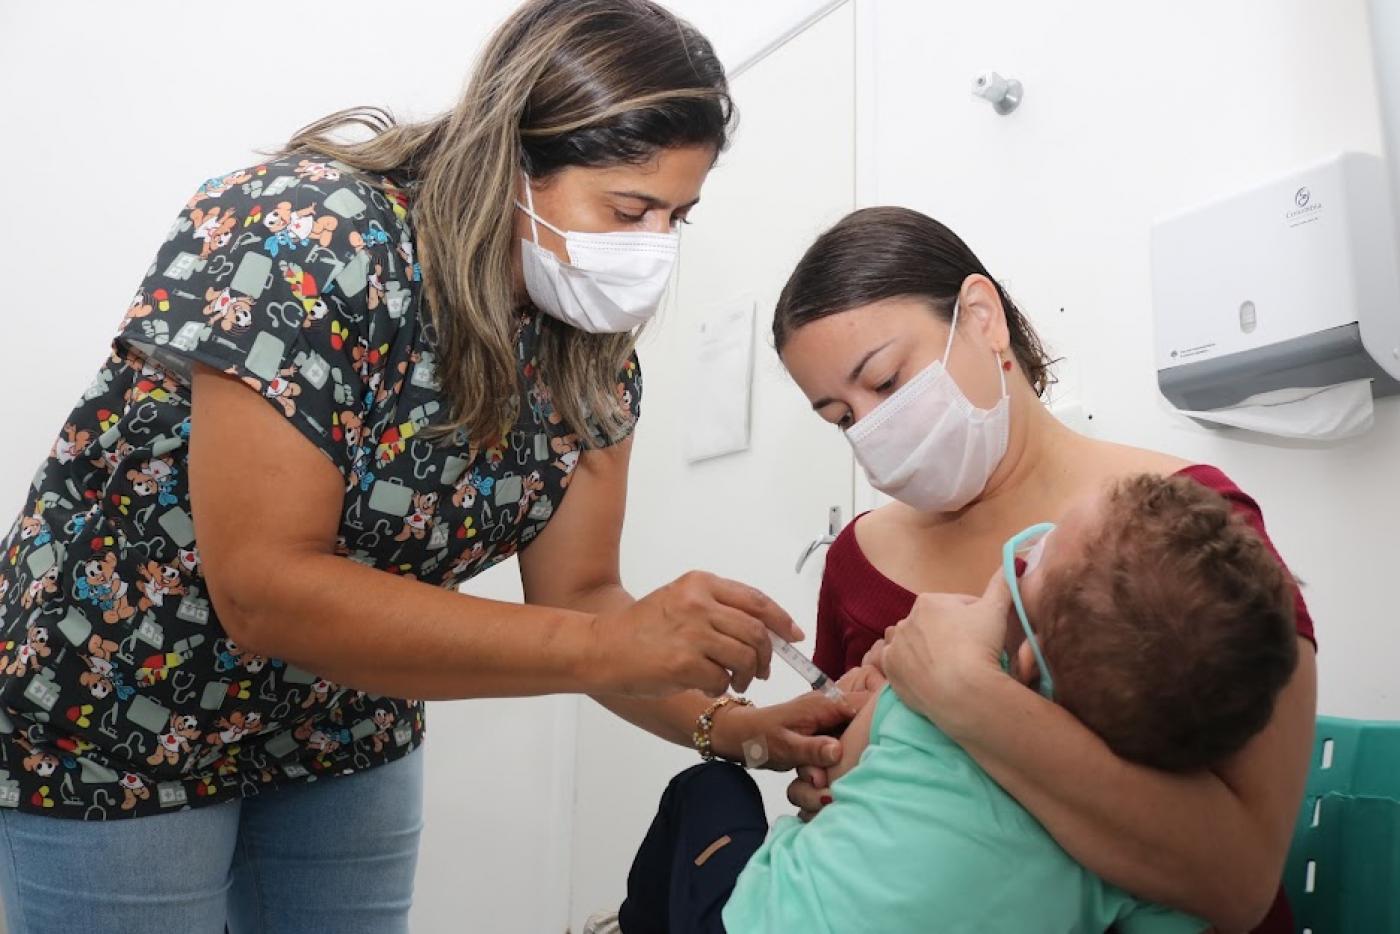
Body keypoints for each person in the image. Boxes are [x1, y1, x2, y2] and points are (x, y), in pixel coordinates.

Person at [0, 3, 854, 932]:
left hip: (342, 722)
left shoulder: (592, 357)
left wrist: (732, 728)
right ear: (510, 158)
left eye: (676, 216)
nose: (651, 247)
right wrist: (617, 643)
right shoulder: (307, 238)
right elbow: (265, 588)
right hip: (121, 707)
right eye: (628, 209)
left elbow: (583, 598)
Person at [775, 206, 1317, 934]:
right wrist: (831, 790)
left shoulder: (1183, 522)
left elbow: (1240, 881)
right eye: (841, 416)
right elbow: (846, 776)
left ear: (982, 318)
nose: (872, 429)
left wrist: (966, 694)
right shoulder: (857, 562)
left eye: (887, 381)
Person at [599, 472, 1298, 934]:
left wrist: (893, 684)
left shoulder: (945, 687)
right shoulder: (1141, 839)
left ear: (1027, 657)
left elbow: (833, 770)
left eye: (1035, 557)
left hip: (753, 921)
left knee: (708, 787)